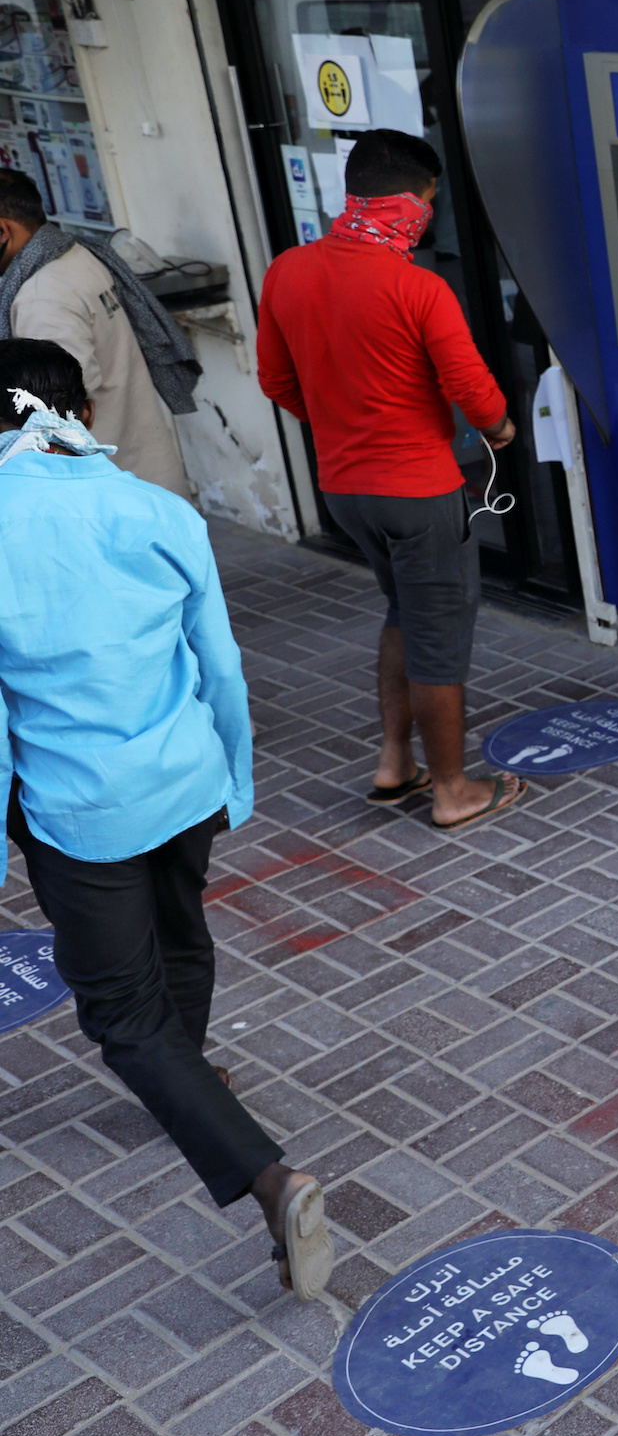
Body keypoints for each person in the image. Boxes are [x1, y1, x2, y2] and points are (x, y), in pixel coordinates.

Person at [0, 337, 333, 1301]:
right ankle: (191, 1084)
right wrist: (235, 777)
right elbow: (220, 661)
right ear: (82, 416)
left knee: (121, 1010)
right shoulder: (156, 508)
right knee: (182, 933)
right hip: (186, 777)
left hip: (79, 808)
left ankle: (269, 1179)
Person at [257, 129, 527, 832]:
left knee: (404, 614)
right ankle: (453, 791)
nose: (429, 216)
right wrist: (500, 426)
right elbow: (471, 385)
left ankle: (394, 763)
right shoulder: (417, 286)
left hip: (346, 490)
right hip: (419, 491)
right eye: (430, 202)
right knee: (439, 638)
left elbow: (276, 381)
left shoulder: (288, 270)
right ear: (413, 199)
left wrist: (341, 420)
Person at [0, 169, 202, 500]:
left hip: (108, 494)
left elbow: (56, 409)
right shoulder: (77, 257)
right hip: (144, 476)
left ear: (3, 230)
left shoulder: (42, 297)